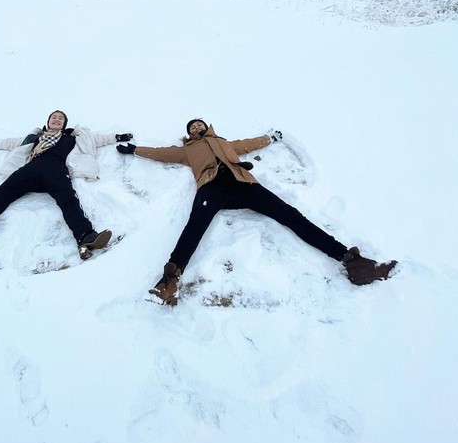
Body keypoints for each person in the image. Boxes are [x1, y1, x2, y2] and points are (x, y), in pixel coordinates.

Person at [117, 119, 397, 305]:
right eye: (192, 127)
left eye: (200, 124)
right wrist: (135, 150)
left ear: (207, 126)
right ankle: (169, 281)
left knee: (291, 215)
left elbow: (249, 144)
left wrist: (269, 138)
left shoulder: (225, 142)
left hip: (244, 184)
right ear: (189, 133)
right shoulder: (187, 150)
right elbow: (162, 152)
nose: (197, 128)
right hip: (211, 188)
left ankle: (351, 261)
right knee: (194, 227)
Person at [0, 110, 133, 261]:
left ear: (65, 124)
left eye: (60, 118)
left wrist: (118, 137)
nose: (56, 119)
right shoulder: (34, 137)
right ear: (48, 121)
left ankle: (86, 238)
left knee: (68, 200)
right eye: (53, 117)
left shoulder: (73, 138)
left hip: (56, 170)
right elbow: (10, 143)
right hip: (30, 170)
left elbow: (99, 139)